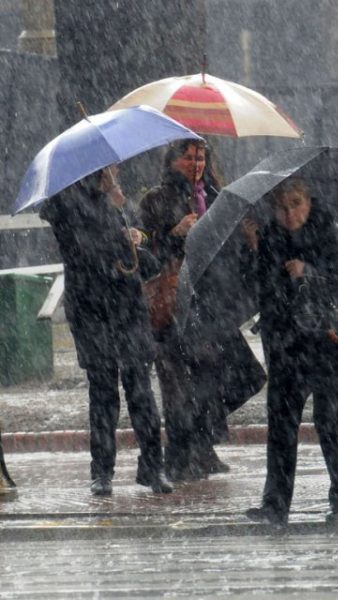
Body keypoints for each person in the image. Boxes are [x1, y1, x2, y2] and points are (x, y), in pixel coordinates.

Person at [243, 177, 338, 526]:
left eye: (296, 203)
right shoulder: (268, 238)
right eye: (282, 207)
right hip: (286, 345)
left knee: (330, 421)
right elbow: (257, 290)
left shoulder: (329, 231)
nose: (290, 214)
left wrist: (311, 272)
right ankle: (275, 504)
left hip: (325, 345)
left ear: (309, 201)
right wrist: (255, 253)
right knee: (282, 425)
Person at [39, 167, 173, 496]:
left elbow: (132, 248)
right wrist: (116, 216)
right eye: (108, 168)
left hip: (127, 310)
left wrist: (136, 236)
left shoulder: (116, 200)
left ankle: (154, 467)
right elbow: (88, 250)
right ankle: (102, 472)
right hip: (92, 311)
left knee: (140, 391)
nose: (114, 172)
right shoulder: (66, 202)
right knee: (103, 394)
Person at [140, 140, 265, 482]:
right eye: (188, 157)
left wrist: (249, 241)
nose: (195, 163)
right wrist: (174, 233)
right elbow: (148, 252)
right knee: (179, 385)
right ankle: (180, 457)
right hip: (174, 306)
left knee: (228, 377)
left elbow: (229, 253)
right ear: (172, 160)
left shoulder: (218, 199)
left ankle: (204, 445)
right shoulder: (156, 199)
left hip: (211, 304)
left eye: (200, 157)